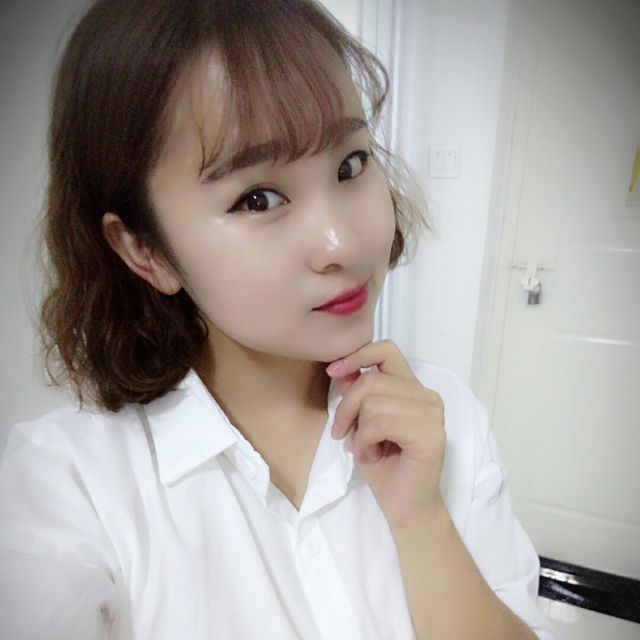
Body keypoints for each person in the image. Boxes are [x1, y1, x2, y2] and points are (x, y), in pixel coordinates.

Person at [0, 0, 561, 638]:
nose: (342, 243)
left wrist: (424, 522)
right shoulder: (68, 486)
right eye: (258, 198)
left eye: (351, 164)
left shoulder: (447, 417)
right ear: (144, 250)